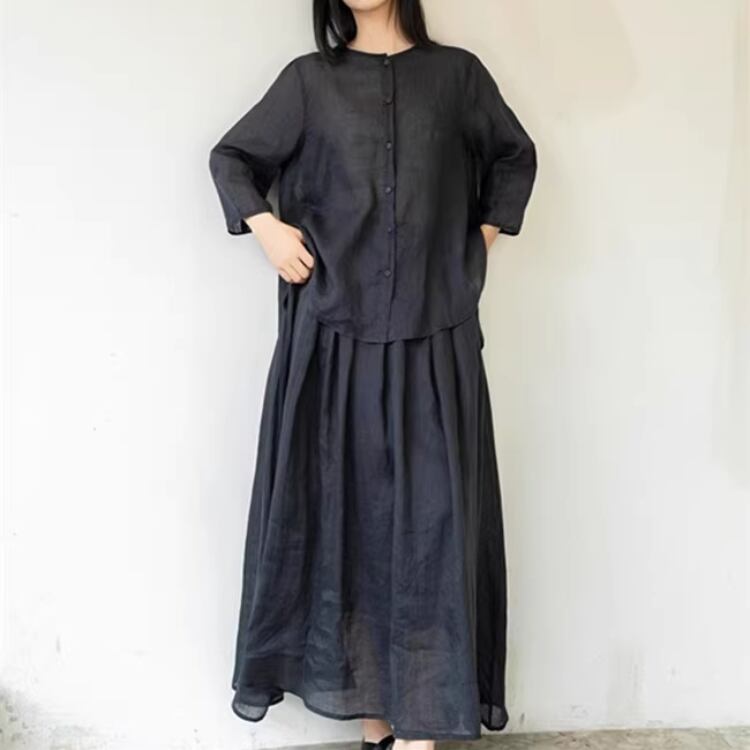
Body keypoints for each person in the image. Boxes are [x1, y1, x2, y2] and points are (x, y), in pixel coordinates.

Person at [207, 0, 537, 747]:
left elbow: (515, 156)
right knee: (347, 521)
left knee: (434, 528)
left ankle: (421, 725)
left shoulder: (457, 77)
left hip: (434, 337)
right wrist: (267, 228)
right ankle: (379, 725)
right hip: (333, 343)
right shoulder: (307, 83)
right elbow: (233, 159)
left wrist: (474, 247)